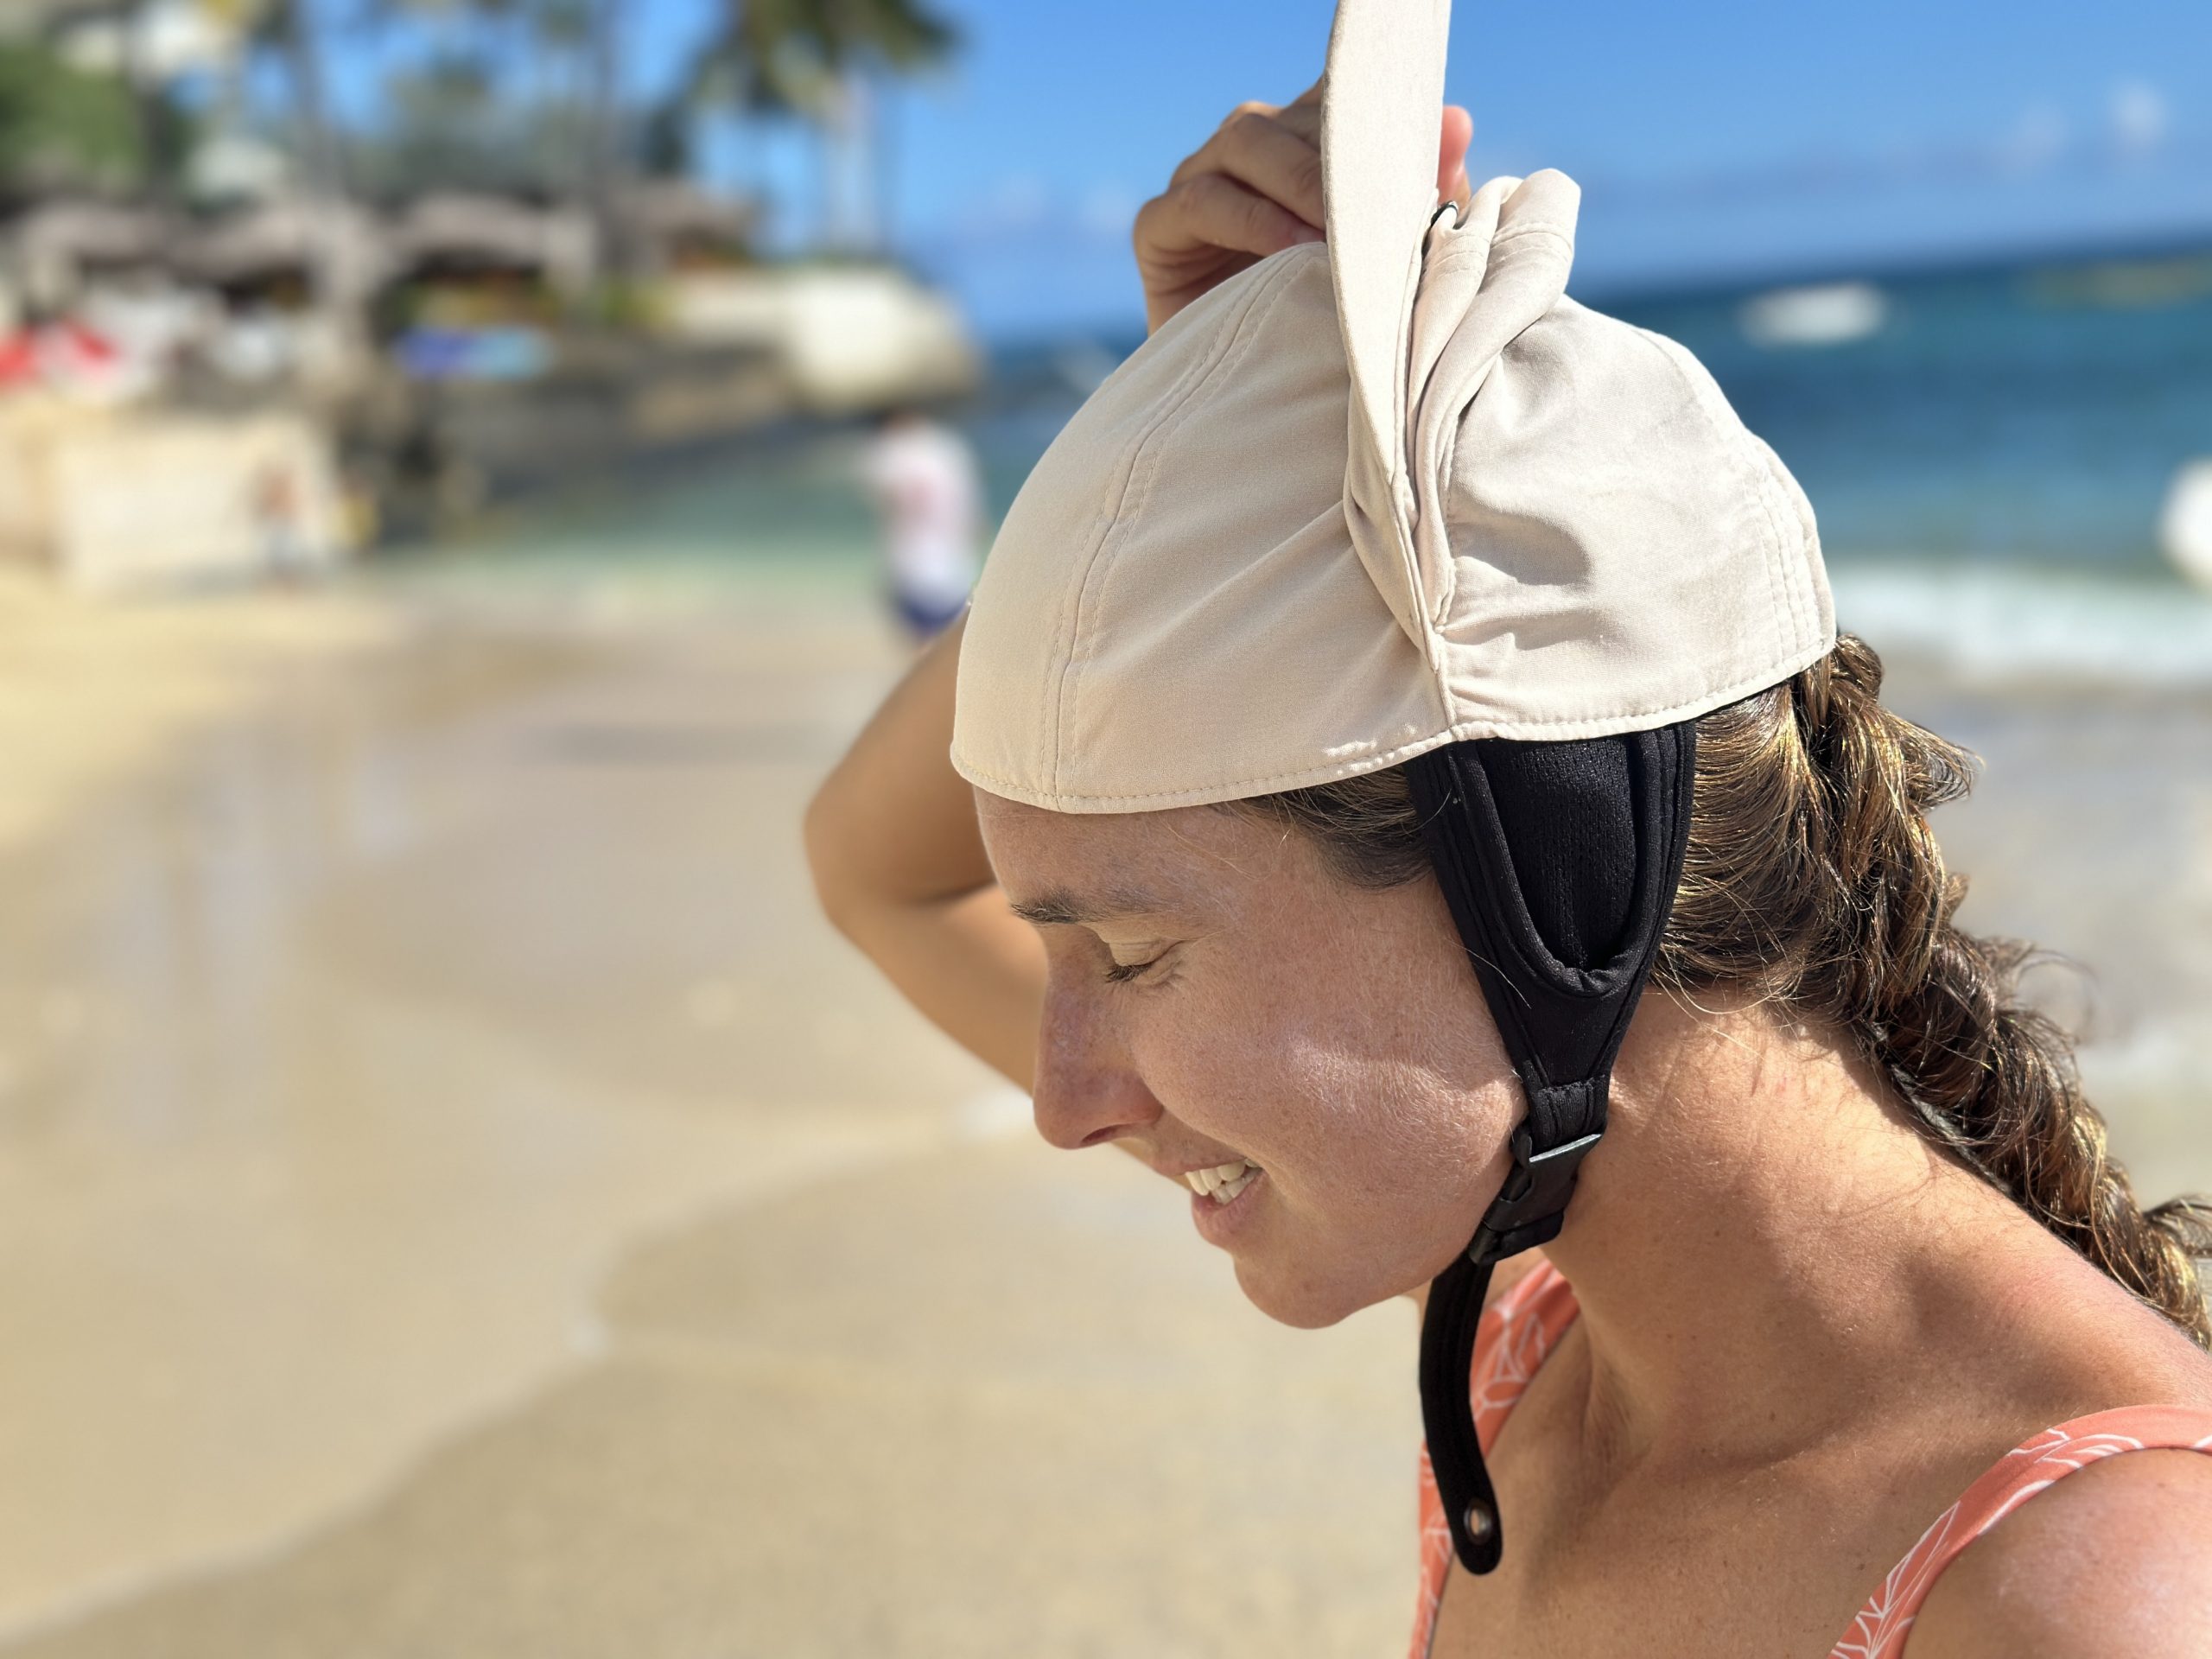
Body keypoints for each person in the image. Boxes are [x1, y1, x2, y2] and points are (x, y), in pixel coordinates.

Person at [806, 8, 2212, 1655]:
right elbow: (880, 871)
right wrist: (1188, 454)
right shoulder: (1546, 1344)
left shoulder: (2092, 1600)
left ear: (1558, 883)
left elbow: (880, 881)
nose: (1066, 1100)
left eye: (1129, 953)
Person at [860, 405, 983, 641]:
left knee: (922, 644)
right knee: (953, 641)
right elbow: (972, 513)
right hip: (955, 561)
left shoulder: (888, 454)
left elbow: (888, 502)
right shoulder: (949, 450)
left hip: (911, 561)